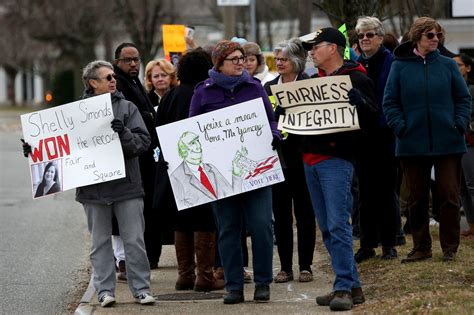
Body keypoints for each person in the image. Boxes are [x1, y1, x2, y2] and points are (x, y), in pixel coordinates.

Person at [24, 60, 155, 307]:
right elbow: (58, 148)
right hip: (93, 190)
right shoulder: (73, 114)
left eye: (114, 77)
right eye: (107, 78)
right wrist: (34, 150)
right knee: (99, 243)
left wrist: (123, 133)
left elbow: (142, 143)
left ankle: (141, 290)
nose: (113, 80)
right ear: (93, 83)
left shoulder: (127, 108)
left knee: (135, 240)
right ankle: (105, 291)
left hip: (127, 187)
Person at [189, 40, 280, 304]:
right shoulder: (202, 93)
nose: (241, 62)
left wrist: (274, 134)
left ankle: (263, 282)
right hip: (221, 174)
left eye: (242, 58)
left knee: (263, 225)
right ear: (219, 64)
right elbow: (191, 130)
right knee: (228, 229)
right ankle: (233, 285)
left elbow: (270, 118)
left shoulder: (254, 87)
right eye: (235, 59)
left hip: (256, 171)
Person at [300, 27, 378, 311]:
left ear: (333, 48)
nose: (311, 52)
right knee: (328, 228)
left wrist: (362, 104)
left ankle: (343, 287)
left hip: (336, 161)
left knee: (337, 225)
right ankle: (351, 286)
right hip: (310, 160)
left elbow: (373, 119)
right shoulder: (311, 81)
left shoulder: (356, 78)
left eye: (316, 46)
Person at [383, 17, 472, 263]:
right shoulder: (399, 66)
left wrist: (459, 124)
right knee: (417, 198)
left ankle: (450, 248)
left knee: (449, 196)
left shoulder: (448, 65)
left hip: (448, 142)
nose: (435, 40)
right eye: (430, 35)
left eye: (437, 35)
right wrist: (402, 127)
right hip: (412, 144)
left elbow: (463, 99)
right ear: (417, 37)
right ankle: (421, 247)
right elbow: (390, 102)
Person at [154, 48, 224, 292]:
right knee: (205, 220)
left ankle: (185, 275)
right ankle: (204, 276)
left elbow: (158, 130)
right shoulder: (204, 93)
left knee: (180, 221)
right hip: (201, 165)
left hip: (174, 167)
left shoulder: (170, 96)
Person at [263, 38, 316, 284]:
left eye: (283, 59)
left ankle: (306, 265)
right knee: (281, 215)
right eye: (278, 59)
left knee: (305, 213)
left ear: (296, 61)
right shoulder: (268, 88)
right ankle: (285, 267)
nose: (279, 63)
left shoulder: (309, 85)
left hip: (304, 158)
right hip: (278, 161)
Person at [353, 16, 399, 263]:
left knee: (385, 191)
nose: (365, 39)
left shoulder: (391, 62)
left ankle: (390, 243)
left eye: (370, 35)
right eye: (361, 36)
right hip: (361, 136)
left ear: (380, 37)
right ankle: (367, 243)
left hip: (384, 134)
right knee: (365, 193)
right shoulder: (356, 64)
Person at [113, 43, 161, 270]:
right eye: (127, 60)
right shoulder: (119, 84)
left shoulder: (133, 82)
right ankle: (123, 260)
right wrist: (148, 116)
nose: (133, 64)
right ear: (117, 62)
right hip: (130, 155)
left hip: (142, 150)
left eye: (136, 59)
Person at [170, 131, 244, 208]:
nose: (198, 146)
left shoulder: (211, 168)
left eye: (197, 140)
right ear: (183, 150)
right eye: (192, 143)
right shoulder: (176, 178)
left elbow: (232, 195)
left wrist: (236, 174)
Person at [454, 53, 474, 238]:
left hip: (470, 142)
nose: (455, 68)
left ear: (468, 68)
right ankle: (471, 225)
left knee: (471, 184)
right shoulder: (449, 89)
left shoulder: (472, 90)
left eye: (458, 65)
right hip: (454, 141)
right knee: (461, 187)